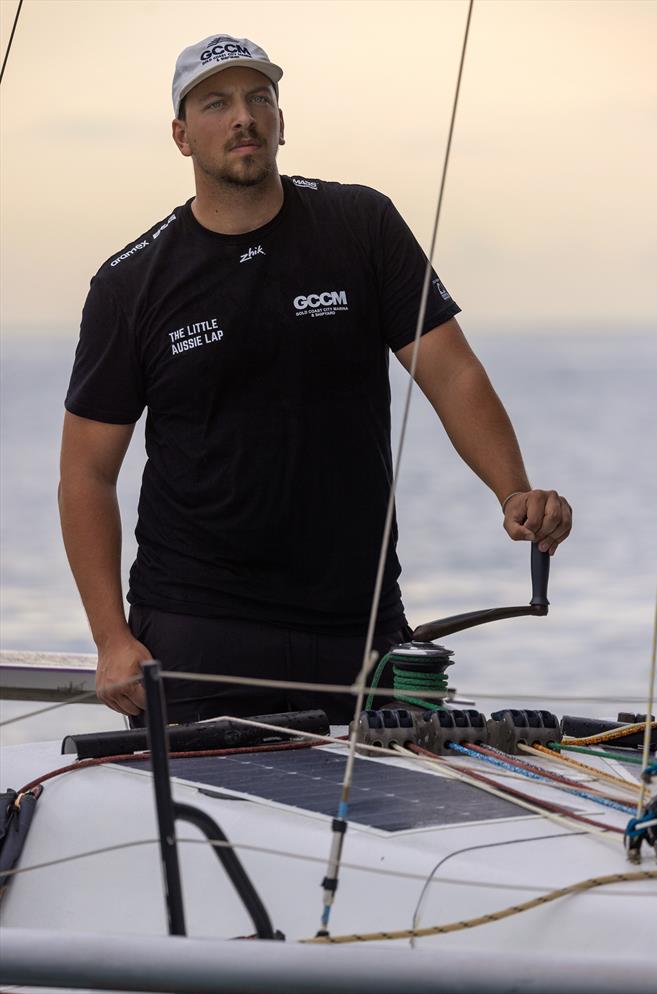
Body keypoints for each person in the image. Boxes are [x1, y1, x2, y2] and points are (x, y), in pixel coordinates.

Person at [59, 34, 572, 726]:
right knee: (206, 830)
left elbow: (450, 372)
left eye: (259, 98)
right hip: (199, 629)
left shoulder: (361, 226)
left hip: (358, 626)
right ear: (181, 136)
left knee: (382, 831)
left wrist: (512, 487)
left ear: (280, 120)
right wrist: (110, 638)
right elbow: (87, 475)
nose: (243, 116)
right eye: (217, 103)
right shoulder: (130, 285)